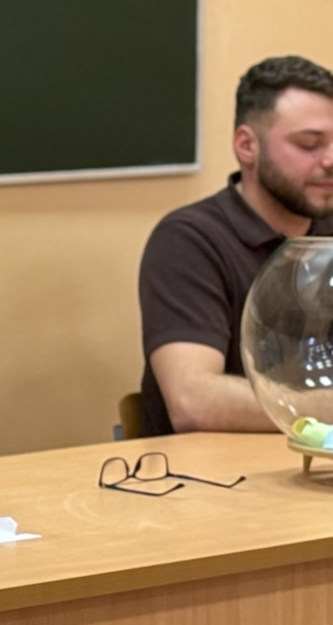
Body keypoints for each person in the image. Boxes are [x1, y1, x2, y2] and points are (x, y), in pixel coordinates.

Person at [139, 56, 333, 437]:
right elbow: (193, 401)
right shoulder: (188, 240)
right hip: (219, 471)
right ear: (247, 146)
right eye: (309, 144)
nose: (330, 160)